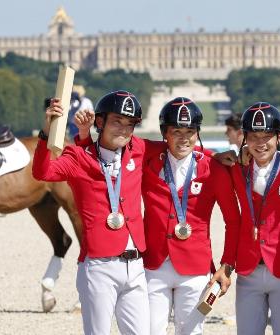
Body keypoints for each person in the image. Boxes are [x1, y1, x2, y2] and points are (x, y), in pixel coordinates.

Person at [33, 90, 163, 335]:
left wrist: (219, 157)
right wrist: (46, 132)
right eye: (117, 122)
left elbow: (178, 147)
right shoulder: (78, 157)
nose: (123, 130)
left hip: (135, 265)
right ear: (100, 122)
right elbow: (43, 173)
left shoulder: (139, 149)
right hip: (99, 267)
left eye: (130, 124)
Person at [142, 97, 241, 335]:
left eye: (190, 131)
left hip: (196, 267)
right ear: (164, 133)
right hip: (153, 265)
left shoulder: (214, 169)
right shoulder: (147, 164)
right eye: (176, 131)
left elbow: (233, 220)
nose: (184, 138)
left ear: (197, 133)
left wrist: (227, 266)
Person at [230, 102, 280, 335]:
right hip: (249, 270)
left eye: (267, 136)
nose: (260, 143)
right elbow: (203, 161)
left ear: (279, 137)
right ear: (244, 138)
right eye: (253, 136)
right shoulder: (236, 167)